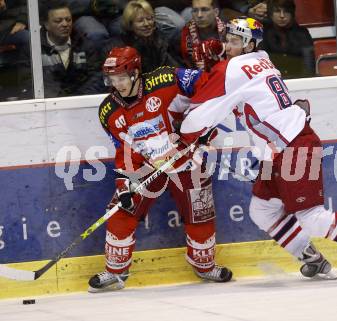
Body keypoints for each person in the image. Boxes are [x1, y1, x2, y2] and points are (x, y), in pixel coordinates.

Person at [179, 17, 337, 279]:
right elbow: (233, 100)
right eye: (227, 40)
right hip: (279, 149)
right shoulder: (260, 58)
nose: (227, 46)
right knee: (262, 209)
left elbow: (197, 116)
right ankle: (312, 258)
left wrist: (186, 135)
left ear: (250, 44)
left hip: (294, 145)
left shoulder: (233, 69)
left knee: (312, 218)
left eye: (234, 41)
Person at [88, 46, 232, 292]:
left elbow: (210, 85)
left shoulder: (166, 79)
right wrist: (124, 185)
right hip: (146, 167)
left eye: (122, 77)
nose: (117, 84)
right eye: (112, 79)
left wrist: (201, 123)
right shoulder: (108, 111)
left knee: (200, 214)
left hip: (187, 159)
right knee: (121, 210)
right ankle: (116, 271)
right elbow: (124, 149)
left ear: (135, 72)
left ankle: (204, 265)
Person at [37, 1, 101, 97]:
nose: (65, 24)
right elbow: (30, 82)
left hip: (81, 101)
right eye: (58, 21)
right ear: (46, 24)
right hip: (50, 104)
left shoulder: (85, 44)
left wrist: (76, 100)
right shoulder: (34, 48)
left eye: (68, 20)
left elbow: (96, 78)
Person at [101, 0, 180, 74]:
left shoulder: (160, 40)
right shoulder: (119, 47)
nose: (147, 24)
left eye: (149, 18)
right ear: (130, 25)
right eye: (140, 21)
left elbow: (175, 69)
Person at [262, 0, 314, 76]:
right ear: (271, 14)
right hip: (272, 79)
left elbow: (308, 62)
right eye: (277, 11)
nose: (282, 16)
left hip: (298, 78)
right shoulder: (264, 33)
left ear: (292, 14)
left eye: (286, 12)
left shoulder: (302, 32)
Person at [180, 0, 226, 69]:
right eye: (195, 10)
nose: (199, 15)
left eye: (204, 10)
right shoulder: (186, 32)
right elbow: (187, 63)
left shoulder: (227, 30)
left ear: (216, 12)